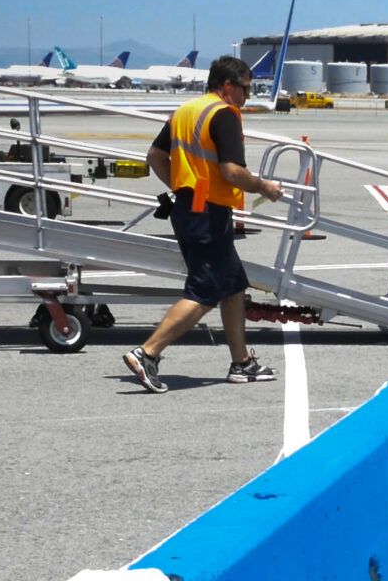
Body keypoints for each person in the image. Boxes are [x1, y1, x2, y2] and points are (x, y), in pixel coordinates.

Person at [122, 55, 285, 392]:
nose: (247, 97)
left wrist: (183, 188)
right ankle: (148, 353)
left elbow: (154, 156)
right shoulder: (224, 114)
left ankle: (242, 363)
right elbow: (232, 172)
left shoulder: (186, 111)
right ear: (228, 87)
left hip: (190, 208)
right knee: (206, 289)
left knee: (234, 284)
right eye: (245, 89)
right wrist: (264, 187)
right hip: (207, 213)